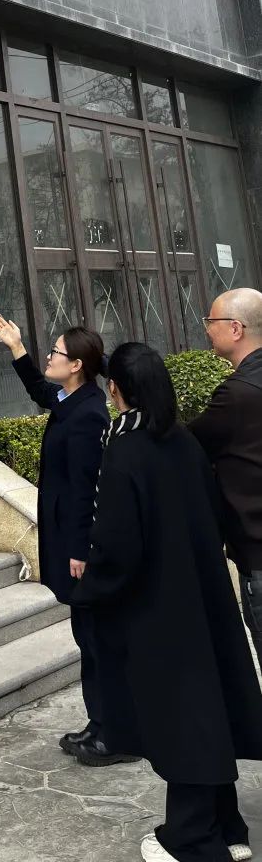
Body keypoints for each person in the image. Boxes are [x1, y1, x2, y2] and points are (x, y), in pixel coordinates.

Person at [72, 342, 262, 862]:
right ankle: (228, 827)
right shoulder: (183, 440)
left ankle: (192, 838)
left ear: (115, 389)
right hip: (204, 594)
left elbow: (116, 542)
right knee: (207, 710)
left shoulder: (126, 448)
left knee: (182, 720)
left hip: (158, 606)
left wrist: (92, 592)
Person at [0, 313, 126, 765]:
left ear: (77, 365)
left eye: (56, 352)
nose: (49, 357)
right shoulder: (73, 399)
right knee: (88, 637)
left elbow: (88, 489)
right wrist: (17, 348)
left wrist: (81, 550)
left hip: (79, 547)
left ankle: (113, 733)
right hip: (69, 541)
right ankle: (101, 723)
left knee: (96, 639)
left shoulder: (88, 413)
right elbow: (42, 393)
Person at [192, 287, 262, 671]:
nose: (207, 329)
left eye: (211, 321)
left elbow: (187, 445)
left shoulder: (237, 395)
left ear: (235, 329)